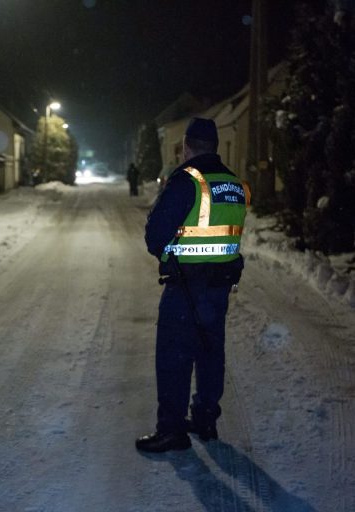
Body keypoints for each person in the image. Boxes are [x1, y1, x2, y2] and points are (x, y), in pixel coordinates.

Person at [136, 118, 250, 452]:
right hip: (219, 288)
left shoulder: (187, 181)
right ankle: (205, 418)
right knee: (211, 351)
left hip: (185, 288)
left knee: (174, 357)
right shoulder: (234, 184)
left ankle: (171, 431)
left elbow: (155, 233)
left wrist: (168, 252)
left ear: (186, 146)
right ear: (214, 146)